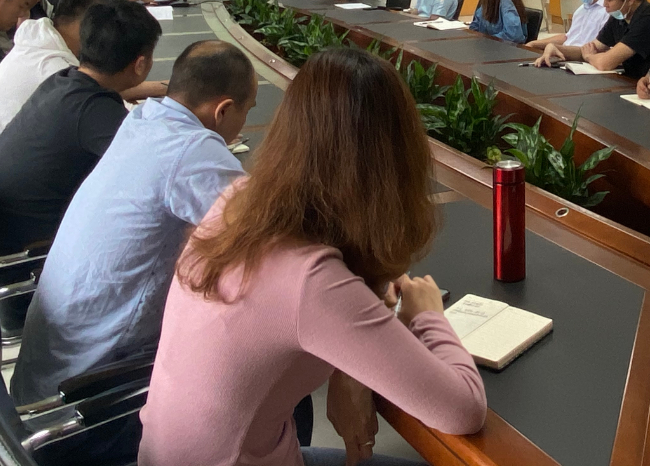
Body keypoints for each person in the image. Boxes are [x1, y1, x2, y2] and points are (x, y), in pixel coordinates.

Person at [138, 47, 486, 466]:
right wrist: (428, 315)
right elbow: (462, 409)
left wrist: (350, 368)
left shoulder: (239, 203)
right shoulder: (310, 278)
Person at [10, 42, 258, 451]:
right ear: (223, 110)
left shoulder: (144, 119)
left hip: (40, 389)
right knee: (269, 385)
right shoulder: (191, 151)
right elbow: (268, 233)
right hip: (88, 408)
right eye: (247, 111)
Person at [0, 0, 162, 255]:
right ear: (140, 64)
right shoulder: (94, 109)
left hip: (4, 228)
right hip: (31, 250)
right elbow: (154, 171)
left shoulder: (63, 80)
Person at [0, 0, 169, 134]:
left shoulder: (40, 43)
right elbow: (128, 123)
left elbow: (104, 89)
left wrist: (164, 88)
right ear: (88, 23)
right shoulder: (55, 70)